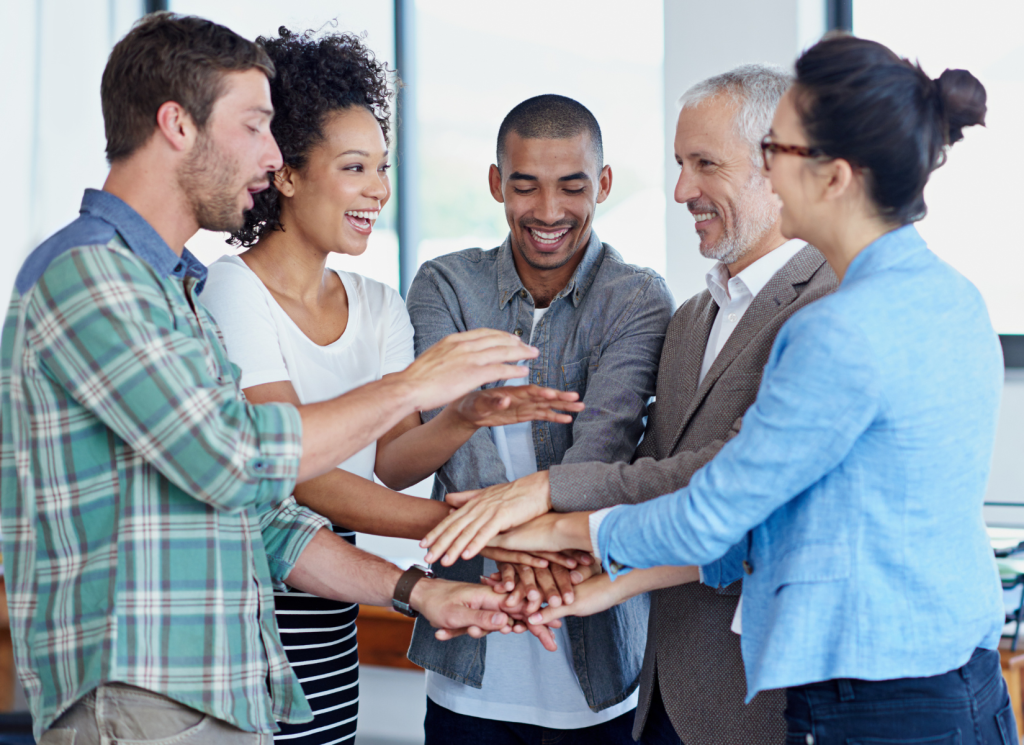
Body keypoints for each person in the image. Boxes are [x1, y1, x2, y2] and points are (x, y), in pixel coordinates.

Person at [429, 35, 1013, 744]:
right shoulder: (950, 295)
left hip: (881, 704)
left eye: (777, 153)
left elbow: (717, 510)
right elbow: (778, 518)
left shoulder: (839, 327)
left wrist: (550, 521)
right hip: (952, 685)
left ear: (833, 176)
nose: (767, 170)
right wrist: (614, 578)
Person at [0, 13, 543, 744]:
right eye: (255, 125)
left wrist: (421, 591)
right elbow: (238, 456)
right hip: (140, 701)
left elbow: (264, 516)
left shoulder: (171, 294)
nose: (270, 151)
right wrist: (412, 387)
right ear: (177, 125)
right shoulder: (90, 276)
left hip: (226, 696)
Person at [423, 64, 838, 744]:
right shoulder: (693, 316)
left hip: (766, 702)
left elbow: (728, 479)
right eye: (680, 164)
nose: (681, 190)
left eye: (704, 164)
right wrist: (595, 571)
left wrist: (549, 506)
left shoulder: (827, 303)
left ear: (777, 166)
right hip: (663, 695)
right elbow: (654, 468)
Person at [199, 29, 584, 745]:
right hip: (253, 602)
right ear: (284, 173)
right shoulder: (231, 292)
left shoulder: (377, 304)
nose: (378, 189)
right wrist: (472, 529)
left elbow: (393, 462)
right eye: (354, 167)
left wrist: (465, 414)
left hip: (335, 599)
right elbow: (292, 470)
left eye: (383, 166)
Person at [406, 94, 675, 744]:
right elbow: (455, 445)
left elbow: (601, 454)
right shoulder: (444, 284)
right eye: (525, 186)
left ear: (604, 184)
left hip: (603, 671)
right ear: (498, 183)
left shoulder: (637, 295)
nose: (549, 212)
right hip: (468, 664)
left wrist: (511, 531)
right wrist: (531, 547)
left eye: (572, 187)